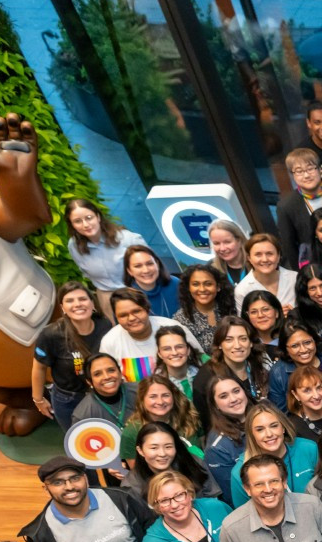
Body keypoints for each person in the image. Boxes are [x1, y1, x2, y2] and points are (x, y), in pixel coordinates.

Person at [20, 455, 154, 542]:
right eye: (57, 482)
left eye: (75, 478)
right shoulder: (40, 535)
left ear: (86, 479)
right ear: (46, 489)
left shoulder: (123, 499)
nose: (69, 486)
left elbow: (156, 536)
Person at [32, 282, 112, 429]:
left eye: (82, 299)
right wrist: (38, 399)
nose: (77, 304)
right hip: (68, 399)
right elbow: (39, 368)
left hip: (105, 395)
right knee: (78, 444)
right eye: (69, 301)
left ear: (92, 303)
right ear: (62, 307)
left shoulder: (105, 325)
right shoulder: (51, 334)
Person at [226, 402, 318, 507]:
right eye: (260, 429)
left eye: (274, 426)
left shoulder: (308, 448)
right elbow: (244, 515)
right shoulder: (239, 472)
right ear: (252, 434)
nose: (269, 434)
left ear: (283, 428)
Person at [62, 198, 145, 298]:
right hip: (107, 297)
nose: (85, 225)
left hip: (138, 293)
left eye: (89, 218)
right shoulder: (74, 246)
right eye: (77, 221)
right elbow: (85, 273)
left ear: (98, 217)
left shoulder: (129, 239)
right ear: (72, 225)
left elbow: (153, 268)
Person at [126, 422, 219, 503]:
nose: (162, 454)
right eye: (154, 448)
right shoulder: (132, 484)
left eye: (168, 446)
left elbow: (213, 497)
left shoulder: (192, 462)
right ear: (140, 450)